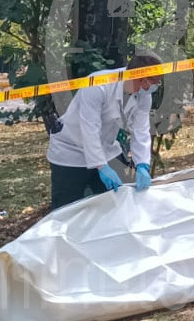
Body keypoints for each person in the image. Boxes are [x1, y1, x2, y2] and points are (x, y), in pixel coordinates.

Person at [46, 54, 163, 210]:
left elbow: (141, 129)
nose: (151, 89)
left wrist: (142, 164)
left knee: (117, 206)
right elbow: (90, 128)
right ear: (138, 78)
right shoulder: (97, 84)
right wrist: (101, 166)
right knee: (67, 210)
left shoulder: (143, 95)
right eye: (150, 83)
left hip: (107, 148)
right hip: (71, 151)